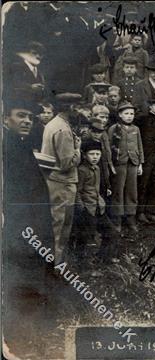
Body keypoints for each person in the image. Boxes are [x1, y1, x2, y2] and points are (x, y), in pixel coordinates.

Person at [3, 94, 56, 356]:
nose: (26, 121)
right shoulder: (7, 148)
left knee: (32, 281)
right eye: (20, 115)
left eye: (30, 117)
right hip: (18, 231)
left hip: (33, 228)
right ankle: (21, 344)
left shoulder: (21, 143)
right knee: (20, 285)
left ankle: (31, 337)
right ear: (6, 119)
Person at [41, 93, 83, 260]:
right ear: (70, 107)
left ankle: (52, 264)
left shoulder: (53, 124)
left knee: (55, 224)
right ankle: (56, 266)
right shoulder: (63, 129)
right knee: (60, 227)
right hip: (63, 183)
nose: (79, 111)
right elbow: (67, 163)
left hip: (52, 180)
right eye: (77, 107)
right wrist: (78, 149)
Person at [72, 140, 120, 270]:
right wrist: (81, 208)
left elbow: (96, 189)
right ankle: (83, 265)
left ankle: (104, 257)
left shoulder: (97, 169)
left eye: (97, 154)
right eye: (91, 154)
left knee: (111, 232)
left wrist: (100, 201)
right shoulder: (81, 170)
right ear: (84, 155)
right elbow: (77, 191)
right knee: (86, 238)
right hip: (87, 209)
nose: (95, 157)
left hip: (98, 207)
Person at [109, 101, 144, 233]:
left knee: (132, 191)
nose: (129, 116)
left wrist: (140, 163)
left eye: (132, 114)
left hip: (133, 163)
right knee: (118, 190)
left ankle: (130, 218)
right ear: (120, 114)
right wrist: (111, 164)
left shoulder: (136, 129)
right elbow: (109, 148)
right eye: (126, 114)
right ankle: (117, 220)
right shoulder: (114, 128)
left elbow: (139, 146)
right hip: (119, 164)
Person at [135, 96, 155, 224]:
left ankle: (152, 212)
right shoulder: (142, 119)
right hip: (145, 158)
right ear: (150, 107)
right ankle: (140, 213)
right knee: (143, 185)